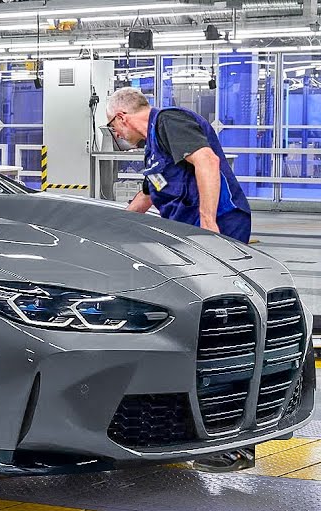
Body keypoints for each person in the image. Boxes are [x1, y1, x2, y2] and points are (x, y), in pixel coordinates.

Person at [104, 86, 256, 473]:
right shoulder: (154, 148)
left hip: (212, 231)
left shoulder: (169, 121)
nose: (116, 135)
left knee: (216, 334)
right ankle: (197, 429)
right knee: (190, 328)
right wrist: (108, 232)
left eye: (112, 127)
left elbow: (206, 161)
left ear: (122, 116)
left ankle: (232, 440)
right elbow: (146, 198)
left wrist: (207, 225)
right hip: (186, 240)